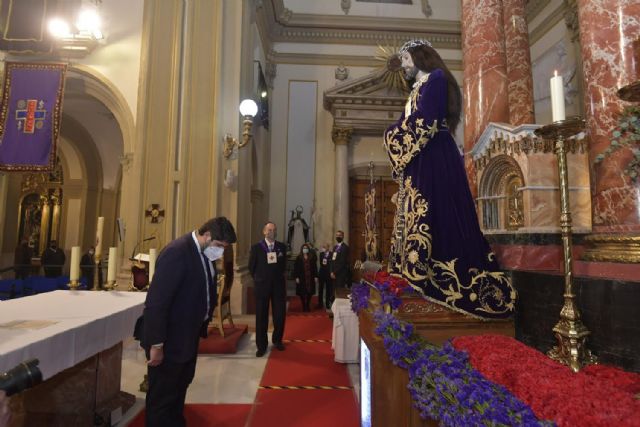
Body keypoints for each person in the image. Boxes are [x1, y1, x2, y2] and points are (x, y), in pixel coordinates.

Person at [383, 39, 516, 319]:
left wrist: (392, 135)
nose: (404, 65)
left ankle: (439, 277)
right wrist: (394, 131)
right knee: (419, 210)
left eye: (406, 58)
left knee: (436, 208)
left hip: (434, 154)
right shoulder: (415, 90)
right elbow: (406, 120)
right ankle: (417, 270)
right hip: (420, 156)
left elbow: (427, 119)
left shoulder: (437, 78)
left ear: (421, 57)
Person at [142, 216, 236, 427]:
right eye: (219, 246)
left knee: (179, 389)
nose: (220, 252)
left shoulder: (203, 254)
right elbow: (157, 303)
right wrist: (156, 343)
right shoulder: (177, 252)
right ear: (208, 235)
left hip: (187, 336)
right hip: (169, 339)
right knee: (162, 399)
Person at [248, 222, 287, 357]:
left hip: (278, 287)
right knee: (261, 317)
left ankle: (277, 340)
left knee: (280, 315)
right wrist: (260, 278)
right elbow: (251, 268)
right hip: (262, 287)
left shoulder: (282, 247)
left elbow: (284, 266)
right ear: (264, 231)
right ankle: (261, 346)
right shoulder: (256, 248)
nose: (272, 232)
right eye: (269, 230)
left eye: (274, 230)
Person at [293, 243, 318, 312]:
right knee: (302, 292)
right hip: (301, 277)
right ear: (302, 249)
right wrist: (296, 277)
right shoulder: (299, 257)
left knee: (310, 292)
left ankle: (307, 304)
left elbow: (315, 267)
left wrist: (316, 276)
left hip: (310, 277)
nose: (305, 249)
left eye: (306, 248)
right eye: (304, 248)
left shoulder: (312, 257)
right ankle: (304, 304)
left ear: (308, 249)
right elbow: (296, 268)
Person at [317, 243, 332, 309]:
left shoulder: (332, 254)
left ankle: (327, 303)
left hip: (328, 274)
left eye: (325, 247)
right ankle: (320, 303)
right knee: (320, 288)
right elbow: (321, 263)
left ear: (328, 247)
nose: (324, 248)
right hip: (322, 273)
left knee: (328, 289)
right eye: (323, 247)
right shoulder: (321, 254)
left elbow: (331, 263)